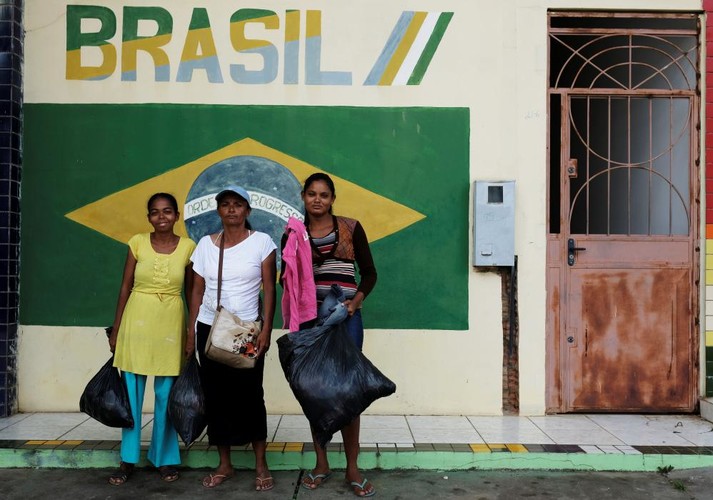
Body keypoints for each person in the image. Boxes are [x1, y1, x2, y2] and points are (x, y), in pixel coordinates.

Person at [283, 173, 378, 497]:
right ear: (304, 196)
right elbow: (287, 278)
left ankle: (352, 467)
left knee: (350, 390)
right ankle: (321, 462)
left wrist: (355, 302)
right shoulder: (294, 233)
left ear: (332, 199)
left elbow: (370, 273)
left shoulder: (351, 228)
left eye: (324, 195)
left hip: (347, 320)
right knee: (315, 391)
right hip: (311, 322)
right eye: (312, 194)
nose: (317, 199)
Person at [188, 185, 277, 491]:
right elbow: (197, 291)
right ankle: (224, 463)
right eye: (225, 204)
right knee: (216, 396)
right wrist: (190, 331)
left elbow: (269, 288)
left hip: (246, 331)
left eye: (237, 204)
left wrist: (266, 329)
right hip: (210, 329)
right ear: (219, 211)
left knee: (251, 394)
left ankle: (261, 464)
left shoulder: (262, 243)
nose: (231, 209)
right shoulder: (205, 245)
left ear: (247, 211)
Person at [108, 192, 196, 486]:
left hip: (171, 325)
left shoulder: (188, 247)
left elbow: (191, 293)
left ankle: (164, 457)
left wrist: (191, 332)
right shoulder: (137, 243)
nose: (162, 217)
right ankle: (127, 459)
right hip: (136, 322)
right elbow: (125, 287)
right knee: (131, 395)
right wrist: (116, 329)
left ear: (177, 216)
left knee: (166, 395)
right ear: (149, 217)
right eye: (156, 212)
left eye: (167, 211)